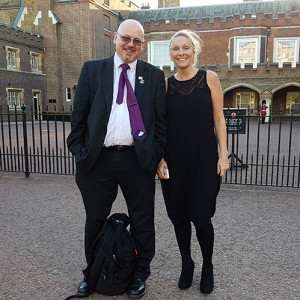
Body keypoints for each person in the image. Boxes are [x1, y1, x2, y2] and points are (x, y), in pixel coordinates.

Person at [67, 19, 166, 299]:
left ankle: (138, 275)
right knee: (95, 220)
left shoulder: (153, 75)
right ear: (115, 38)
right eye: (126, 38)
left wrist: (154, 154)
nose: (130, 45)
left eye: (137, 41)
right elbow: (79, 116)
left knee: (143, 221)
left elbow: (160, 123)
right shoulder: (93, 69)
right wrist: (79, 151)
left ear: (142, 45)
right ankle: (93, 273)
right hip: (98, 161)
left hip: (137, 161)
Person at [157, 30, 229, 295]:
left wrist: (224, 155)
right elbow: (159, 125)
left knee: (201, 218)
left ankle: (207, 266)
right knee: (178, 218)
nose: (181, 53)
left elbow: (219, 119)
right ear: (171, 53)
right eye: (176, 49)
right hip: (174, 162)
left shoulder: (209, 78)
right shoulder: (165, 85)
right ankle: (187, 264)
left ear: (194, 50)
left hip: (204, 160)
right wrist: (159, 158)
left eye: (185, 47)